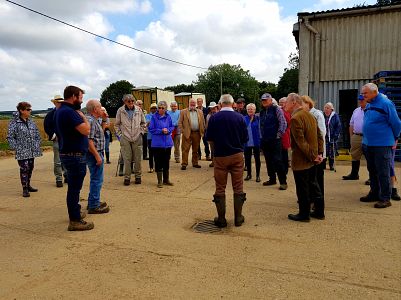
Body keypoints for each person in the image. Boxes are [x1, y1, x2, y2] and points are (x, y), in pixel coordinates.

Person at [55, 85, 94, 231]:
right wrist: (83, 116)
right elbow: (86, 130)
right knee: (74, 189)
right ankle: (75, 220)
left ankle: (75, 213)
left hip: (70, 154)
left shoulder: (61, 110)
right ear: (73, 97)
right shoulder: (69, 112)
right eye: (80, 98)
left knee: (74, 187)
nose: (81, 101)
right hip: (74, 156)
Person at [206, 94, 248, 228]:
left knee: (220, 187)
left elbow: (209, 138)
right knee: (238, 186)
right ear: (233, 103)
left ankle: (222, 219)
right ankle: (238, 218)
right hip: (236, 155)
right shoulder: (240, 118)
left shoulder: (214, 118)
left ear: (220, 104)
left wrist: (215, 152)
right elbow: (245, 138)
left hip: (220, 156)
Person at [359, 83, 401, 208]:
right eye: (362, 93)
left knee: (383, 171)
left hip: (382, 144)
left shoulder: (386, 103)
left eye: (365, 93)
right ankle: (374, 193)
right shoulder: (369, 103)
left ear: (374, 92)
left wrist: (395, 138)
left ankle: (385, 198)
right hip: (368, 143)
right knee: (372, 170)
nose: (363, 95)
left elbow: (396, 123)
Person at [286, 93, 324, 222]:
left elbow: (300, 142)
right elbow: (320, 136)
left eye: (287, 102)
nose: (285, 104)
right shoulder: (311, 115)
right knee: (314, 185)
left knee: (303, 188)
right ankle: (319, 212)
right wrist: (319, 153)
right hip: (312, 158)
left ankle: (304, 214)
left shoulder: (296, 118)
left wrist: (314, 156)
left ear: (294, 103)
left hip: (303, 160)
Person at [7, 101, 42, 198]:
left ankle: (28, 185)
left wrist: (37, 143)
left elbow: (37, 134)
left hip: (32, 150)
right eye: (28, 109)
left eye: (30, 109)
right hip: (21, 150)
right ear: (21, 110)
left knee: (30, 167)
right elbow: (10, 137)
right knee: (24, 168)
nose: (30, 111)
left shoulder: (31, 122)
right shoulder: (14, 122)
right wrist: (16, 147)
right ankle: (24, 188)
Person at [114, 94, 146, 185]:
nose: (131, 103)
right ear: (124, 102)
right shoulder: (120, 110)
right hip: (125, 138)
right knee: (127, 159)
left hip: (137, 136)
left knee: (137, 158)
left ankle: (138, 176)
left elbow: (143, 123)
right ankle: (127, 177)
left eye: (132, 101)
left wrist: (141, 132)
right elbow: (116, 125)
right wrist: (120, 136)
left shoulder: (139, 110)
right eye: (129, 101)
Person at [85, 99, 110, 214]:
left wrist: (104, 118)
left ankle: (93, 201)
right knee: (97, 179)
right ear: (95, 109)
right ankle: (94, 205)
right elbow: (88, 141)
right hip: (94, 154)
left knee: (96, 178)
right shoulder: (90, 121)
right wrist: (97, 156)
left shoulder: (94, 120)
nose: (102, 109)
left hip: (96, 152)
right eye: (100, 107)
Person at [259, 93, 288, 190]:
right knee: (268, 161)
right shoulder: (262, 112)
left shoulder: (276, 109)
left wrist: (278, 135)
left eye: (266, 100)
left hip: (275, 140)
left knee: (278, 160)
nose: (264, 102)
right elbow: (260, 126)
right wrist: (261, 137)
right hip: (265, 140)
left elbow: (283, 122)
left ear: (271, 100)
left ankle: (283, 182)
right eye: (263, 100)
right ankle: (272, 179)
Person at [301, 95, 326, 203]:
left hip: (317, 153)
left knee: (317, 177)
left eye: (302, 103)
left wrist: (318, 152)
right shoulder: (305, 114)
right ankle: (311, 197)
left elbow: (321, 133)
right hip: (310, 153)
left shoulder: (317, 114)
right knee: (311, 177)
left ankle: (318, 200)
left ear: (308, 103)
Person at [149, 101, 175, 188]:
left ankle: (166, 179)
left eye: (162, 108)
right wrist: (161, 131)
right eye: (159, 107)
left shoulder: (168, 117)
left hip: (167, 143)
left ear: (166, 109)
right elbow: (151, 129)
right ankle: (159, 181)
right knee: (158, 162)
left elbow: (172, 126)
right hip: (157, 144)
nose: (160, 109)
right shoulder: (154, 117)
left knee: (166, 161)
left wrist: (168, 130)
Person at [44, 95, 68, 187]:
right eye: (58, 102)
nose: (60, 104)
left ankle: (67, 176)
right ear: (54, 103)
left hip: (66, 140)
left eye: (61, 102)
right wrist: (54, 136)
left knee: (66, 159)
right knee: (57, 161)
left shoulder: (66, 113)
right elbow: (47, 127)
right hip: (57, 140)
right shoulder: (50, 114)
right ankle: (58, 179)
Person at [343, 95, 366, 180]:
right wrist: (351, 137)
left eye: (362, 100)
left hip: (367, 136)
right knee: (354, 155)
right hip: (356, 136)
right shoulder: (356, 111)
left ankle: (372, 177)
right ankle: (354, 174)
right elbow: (351, 124)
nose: (360, 101)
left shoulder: (370, 110)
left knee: (370, 157)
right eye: (359, 100)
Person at [178, 98, 205, 170]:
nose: (193, 104)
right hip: (187, 133)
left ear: (195, 104)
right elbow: (180, 123)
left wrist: (202, 131)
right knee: (185, 149)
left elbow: (203, 122)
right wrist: (183, 131)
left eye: (194, 103)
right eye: (191, 103)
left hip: (197, 133)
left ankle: (195, 163)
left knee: (195, 149)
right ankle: (184, 164)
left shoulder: (200, 112)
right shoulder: (183, 111)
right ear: (189, 103)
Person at [243, 103, 261, 182]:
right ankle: (249, 174)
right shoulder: (243, 118)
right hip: (247, 142)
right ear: (246, 110)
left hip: (256, 141)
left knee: (257, 159)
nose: (250, 110)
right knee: (247, 159)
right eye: (248, 109)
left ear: (255, 110)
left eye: (252, 109)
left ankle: (258, 175)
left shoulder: (258, 118)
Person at [323, 102, 341, 171]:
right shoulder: (322, 115)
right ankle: (323, 165)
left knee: (331, 151)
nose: (326, 109)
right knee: (324, 151)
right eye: (325, 108)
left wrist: (336, 135)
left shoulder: (335, 116)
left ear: (331, 109)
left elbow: (338, 126)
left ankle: (331, 165)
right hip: (324, 137)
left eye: (328, 108)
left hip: (332, 137)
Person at [278, 97, 291, 176]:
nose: (281, 104)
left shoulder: (287, 111)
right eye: (280, 103)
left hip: (285, 135)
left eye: (283, 102)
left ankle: (285, 170)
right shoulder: (279, 111)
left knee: (284, 154)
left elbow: (289, 123)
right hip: (280, 136)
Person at [206, 101, 219, 167]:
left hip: (219, 135)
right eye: (211, 108)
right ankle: (213, 161)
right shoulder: (208, 116)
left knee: (219, 149)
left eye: (213, 108)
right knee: (212, 149)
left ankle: (218, 162)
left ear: (216, 107)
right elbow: (207, 126)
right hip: (212, 135)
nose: (212, 109)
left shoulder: (220, 114)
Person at [145, 103, 157, 173]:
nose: (154, 109)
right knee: (151, 153)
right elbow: (147, 124)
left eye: (155, 108)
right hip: (150, 137)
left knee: (157, 153)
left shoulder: (158, 115)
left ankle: (156, 166)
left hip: (157, 137)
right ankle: (151, 167)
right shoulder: (147, 115)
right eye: (153, 108)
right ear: (150, 109)